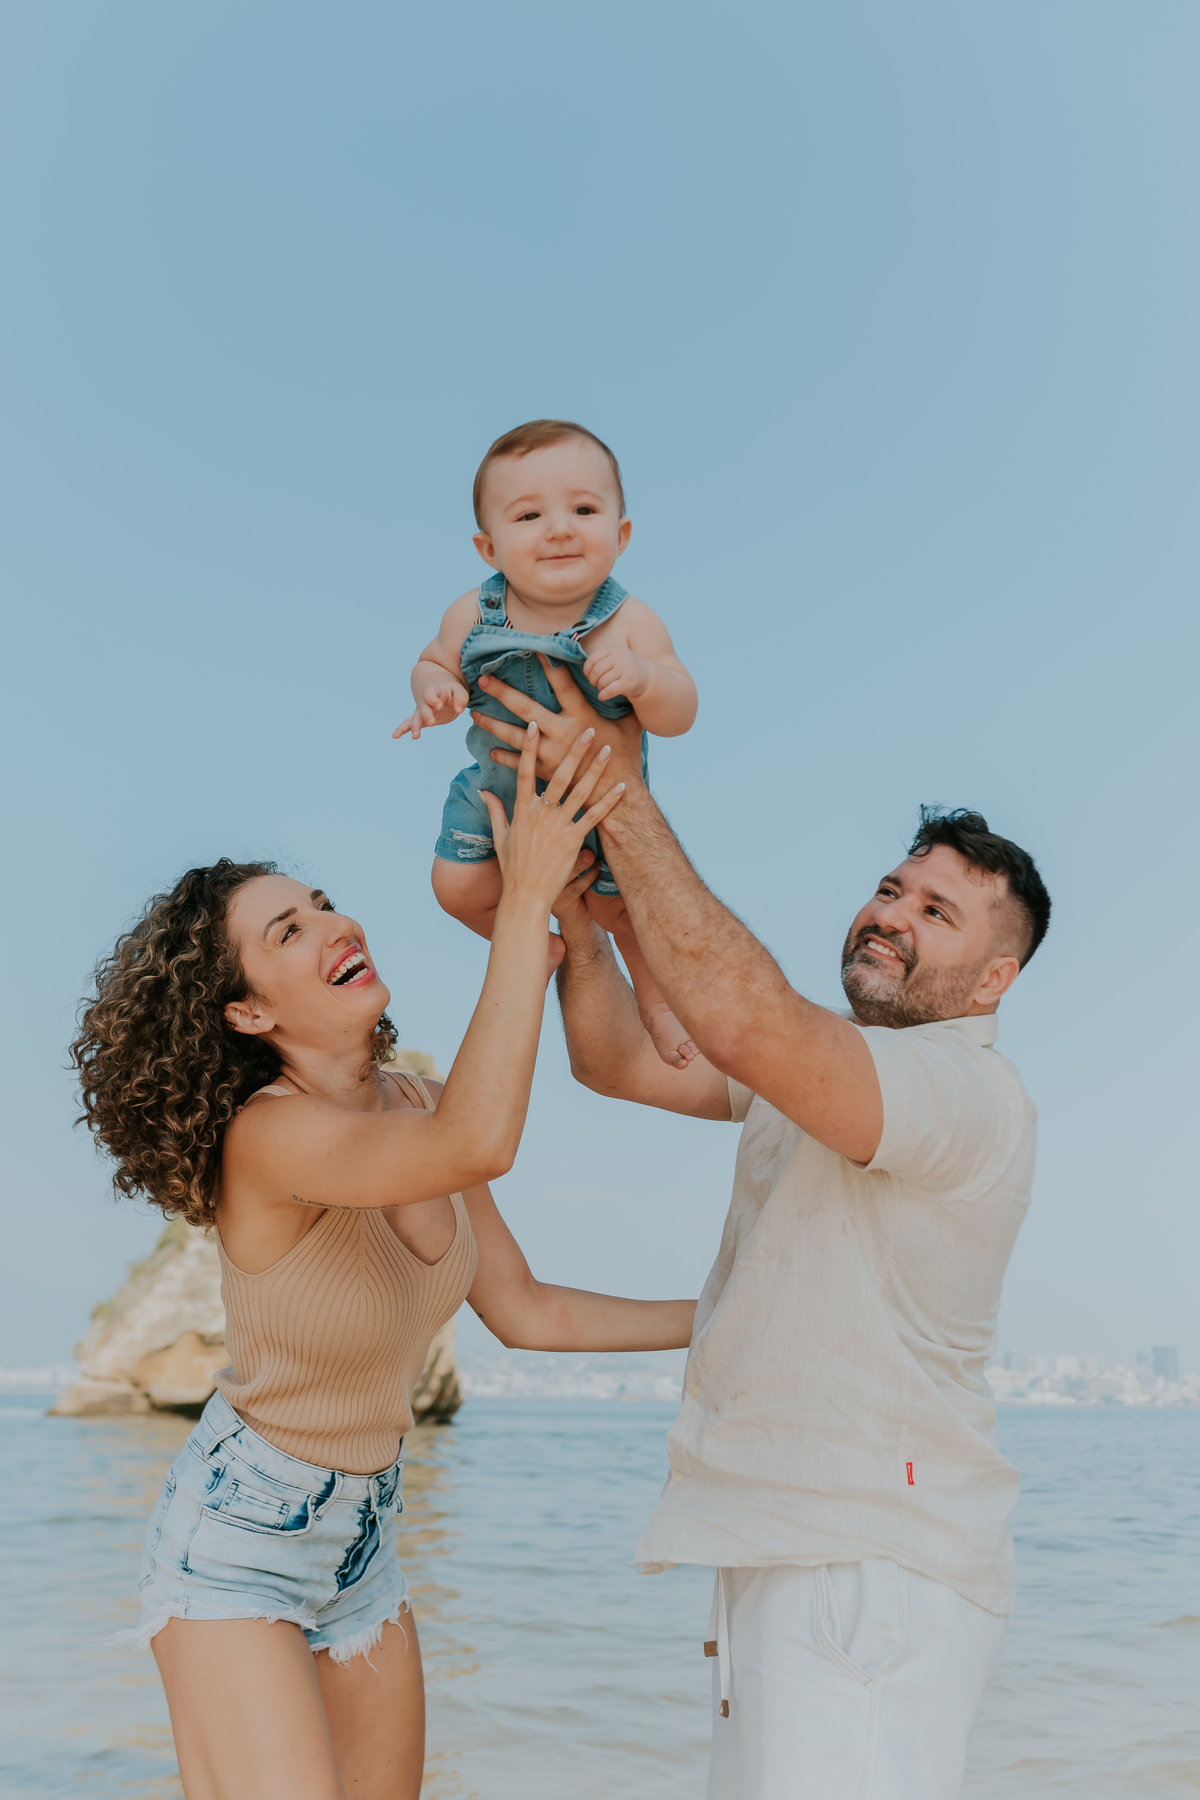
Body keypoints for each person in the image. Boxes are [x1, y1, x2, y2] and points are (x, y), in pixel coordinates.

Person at [71, 725, 695, 1800]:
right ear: (248, 1011)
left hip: (363, 1539)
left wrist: (735, 1309)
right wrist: (519, 920)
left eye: (321, 903)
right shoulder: (266, 1140)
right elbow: (478, 1143)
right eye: (288, 929)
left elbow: (530, 1311)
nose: (332, 924)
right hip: (237, 1541)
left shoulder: (413, 1097)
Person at [468, 661, 1052, 1800]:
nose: (890, 914)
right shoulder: (840, 1067)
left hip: (870, 1564)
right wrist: (585, 920)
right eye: (892, 888)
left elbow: (741, 1018)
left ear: (994, 979)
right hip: (789, 1545)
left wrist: (613, 785)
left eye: (936, 913)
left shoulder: (964, 1093)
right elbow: (623, 1059)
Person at [392, 417, 700, 1067]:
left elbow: (680, 711)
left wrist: (646, 680)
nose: (559, 528)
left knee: (633, 919)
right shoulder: (472, 614)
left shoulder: (630, 621)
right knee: (454, 885)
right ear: (488, 548)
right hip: (498, 791)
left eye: (583, 509)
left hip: (603, 802)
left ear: (619, 535)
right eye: (529, 516)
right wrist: (436, 691)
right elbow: (433, 660)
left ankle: (659, 1004)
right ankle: (535, 946)